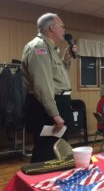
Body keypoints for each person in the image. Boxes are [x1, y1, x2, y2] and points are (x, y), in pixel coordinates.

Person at [22, 13, 76, 163]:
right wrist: (55, 114)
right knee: (47, 149)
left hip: (58, 102)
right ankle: (39, 184)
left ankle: (54, 181)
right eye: (62, 26)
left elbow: (57, 78)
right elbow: (42, 85)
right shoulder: (39, 47)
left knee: (57, 147)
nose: (64, 30)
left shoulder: (51, 49)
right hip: (48, 106)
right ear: (52, 27)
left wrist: (66, 59)